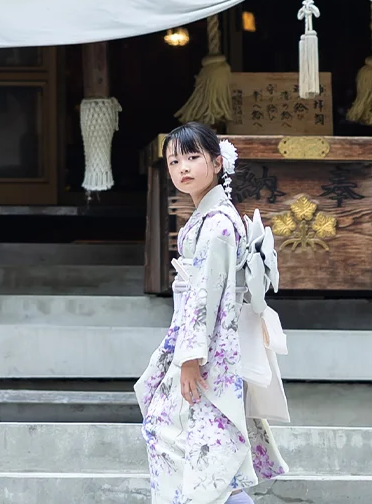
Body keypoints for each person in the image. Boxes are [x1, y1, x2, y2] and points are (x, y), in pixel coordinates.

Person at [136, 122, 288, 504]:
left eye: (192, 157)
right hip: (204, 341)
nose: (182, 167)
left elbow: (206, 294)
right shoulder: (208, 218)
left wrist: (191, 358)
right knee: (202, 445)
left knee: (180, 436)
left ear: (217, 163)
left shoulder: (218, 223)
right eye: (174, 161)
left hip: (208, 348)